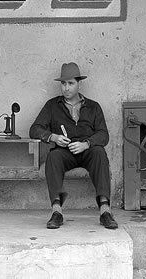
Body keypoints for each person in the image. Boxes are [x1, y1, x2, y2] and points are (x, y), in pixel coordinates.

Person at [29, 62, 118, 229]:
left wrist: (86, 144)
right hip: (65, 152)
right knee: (53, 156)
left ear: (79, 84)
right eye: (63, 83)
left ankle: (105, 211)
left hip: (88, 151)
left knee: (99, 152)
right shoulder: (52, 105)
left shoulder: (93, 107)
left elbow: (103, 135)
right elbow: (34, 129)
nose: (66, 88)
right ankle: (57, 212)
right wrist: (53, 137)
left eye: (71, 83)